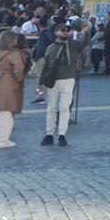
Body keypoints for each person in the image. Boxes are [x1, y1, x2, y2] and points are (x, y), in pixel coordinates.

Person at [38, 19, 83, 148]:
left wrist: (83, 30)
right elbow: (46, 66)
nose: (65, 32)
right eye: (62, 30)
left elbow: (84, 42)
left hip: (68, 79)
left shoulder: (73, 45)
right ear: (56, 32)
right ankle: (49, 133)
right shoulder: (51, 48)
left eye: (66, 30)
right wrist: (41, 82)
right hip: (54, 80)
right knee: (51, 108)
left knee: (64, 108)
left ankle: (62, 134)